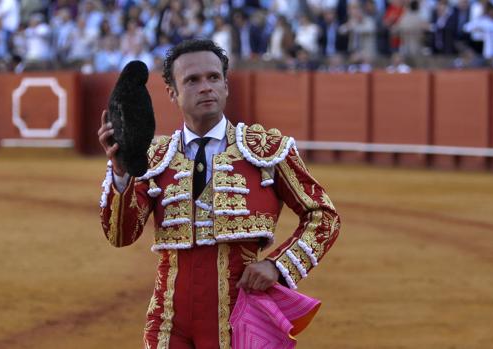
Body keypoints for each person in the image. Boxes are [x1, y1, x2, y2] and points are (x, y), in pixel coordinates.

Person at [97, 39, 340, 348]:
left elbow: (323, 215)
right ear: (172, 92)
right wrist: (121, 171)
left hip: (238, 314)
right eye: (192, 80)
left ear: (226, 85)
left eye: (213, 78)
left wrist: (278, 266)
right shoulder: (154, 157)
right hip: (168, 319)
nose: (205, 87)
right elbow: (120, 235)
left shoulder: (265, 149)